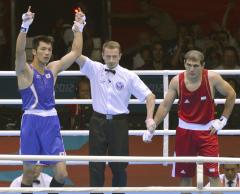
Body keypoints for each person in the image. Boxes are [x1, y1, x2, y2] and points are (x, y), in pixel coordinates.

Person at [143, 50, 236, 194]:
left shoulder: (212, 78)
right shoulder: (176, 81)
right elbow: (166, 105)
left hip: (208, 132)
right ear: (184, 63)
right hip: (185, 133)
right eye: (189, 65)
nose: (192, 69)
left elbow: (231, 94)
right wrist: (153, 125)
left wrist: (223, 119)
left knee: (213, 175)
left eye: (196, 66)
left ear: (203, 65)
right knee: (185, 176)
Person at [15, 6, 85, 194]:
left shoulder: (52, 69)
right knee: (29, 174)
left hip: (51, 123)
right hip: (31, 122)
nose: (47, 53)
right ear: (34, 52)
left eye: (49, 49)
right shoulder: (25, 72)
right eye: (43, 49)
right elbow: (19, 53)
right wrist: (24, 27)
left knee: (62, 173)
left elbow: (76, 52)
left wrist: (79, 27)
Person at [75, 40, 156, 194]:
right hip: (97, 121)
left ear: (120, 56)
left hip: (119, 123)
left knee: (119, 165)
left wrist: (149, 118)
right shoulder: (94, 68)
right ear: (102, 56)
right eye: (108, 56)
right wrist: (78, 28)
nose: (111, 60)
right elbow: (76, 54)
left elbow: (150, 96)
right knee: (95, 165)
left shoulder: (128, 75)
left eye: (114, 56)